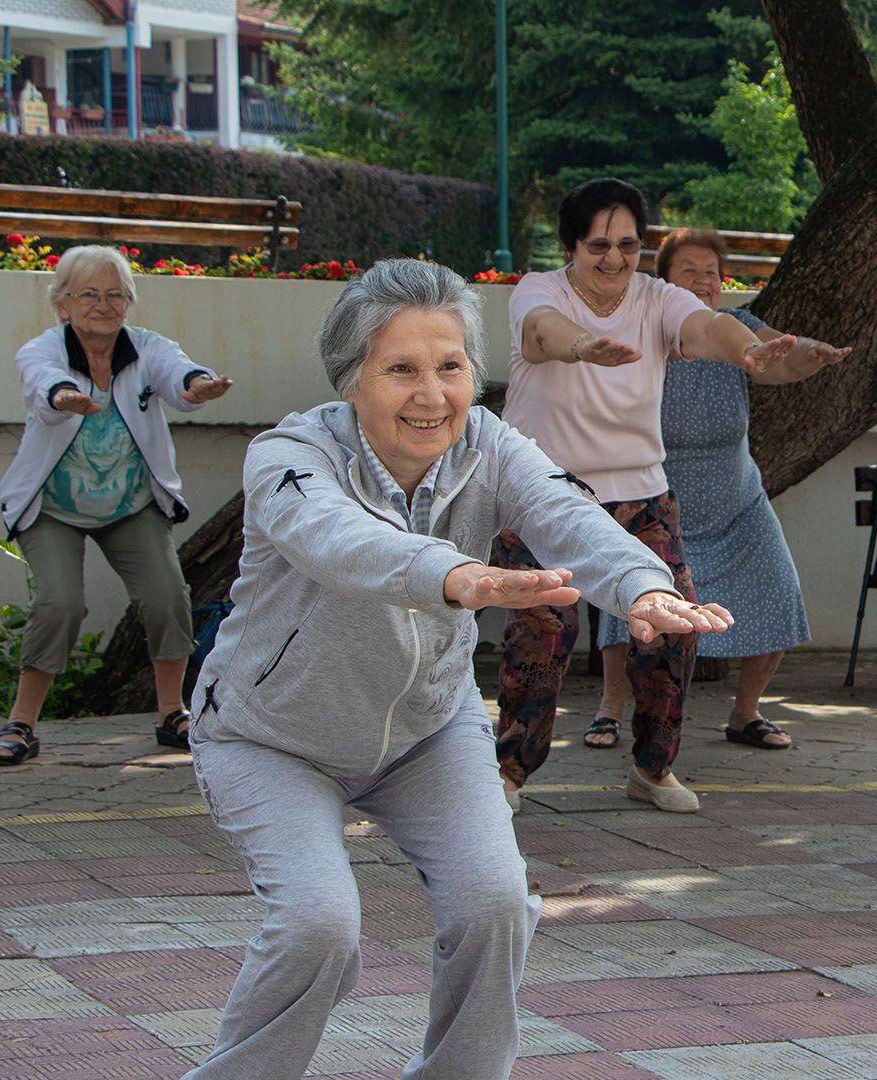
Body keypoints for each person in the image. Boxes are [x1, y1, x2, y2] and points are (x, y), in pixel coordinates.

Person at [182, 259, 731, 1080]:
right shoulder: (288, 457)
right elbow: (337, 540)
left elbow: (566, 514)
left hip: (426, 734)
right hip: (273, 738)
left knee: (495, 907)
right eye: (400, 369)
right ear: (351, 379)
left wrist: (644, 586)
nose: (432, 394)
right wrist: (454, 574)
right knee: (317, 929)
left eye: (451, 367)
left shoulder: (493, 447)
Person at [494, 179, 848, 812]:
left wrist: (753, 353)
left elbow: (709, 328)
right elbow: (543, 333)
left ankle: (653, 769)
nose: (614, 259)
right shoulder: (538, 292)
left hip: (641, 494)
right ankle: (510, 775)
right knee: (543, 633)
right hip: (543, 492)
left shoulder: (656, 298)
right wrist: (583, 347)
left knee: (673, 629)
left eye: (628, 245)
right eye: (598, 245)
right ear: (572, 245)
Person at [0, 245, 232, 765]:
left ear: (129, 302)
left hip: (131, 504)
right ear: (63, 304)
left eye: (116, 294)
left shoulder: (146, 348)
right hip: (51, 506)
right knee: (60, 604)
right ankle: (21, 723)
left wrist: (198, 385)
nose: (104, 304)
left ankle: (172, 713)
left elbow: (177, 372)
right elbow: (41, 385)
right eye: (90, 294)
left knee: (168, 596)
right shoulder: (44, 350)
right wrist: (64, 397)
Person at [592, 227, 823, 751]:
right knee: (623, 606)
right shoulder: (644, 330)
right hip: (655, 500)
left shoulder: (737, 328)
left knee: (779, 590)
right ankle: (608, 710)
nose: (702, 282)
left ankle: (746, 714)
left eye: (711, 274)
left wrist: (810, 354)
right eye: (688, 272)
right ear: (664, 280)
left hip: (737, 501)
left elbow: (779, 356)